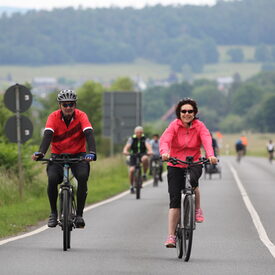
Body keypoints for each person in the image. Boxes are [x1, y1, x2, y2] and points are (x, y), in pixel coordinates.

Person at [32, 89, 97, 228]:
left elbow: (89, 133)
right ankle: (54, 213)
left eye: (71, 104)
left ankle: (79, 215)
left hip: (78, 156)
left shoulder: (81, 116)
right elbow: (48, 135)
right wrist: (41, 153)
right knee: (53, 179)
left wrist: (91, 152)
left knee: (83, 177)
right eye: (65, 104)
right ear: (60, 105)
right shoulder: (53, 117)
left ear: (75, 105)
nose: (68, 107)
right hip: (58, 156)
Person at [159, 98, 217, 248]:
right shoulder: (174, 126)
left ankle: (197, 209)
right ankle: (171, 236)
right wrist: (165, 152)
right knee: (174, 202)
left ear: (195, 113)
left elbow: (206, 140)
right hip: (175, 162)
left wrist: (210, 155)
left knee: (192, 182)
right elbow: (165, 140)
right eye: (183, 111)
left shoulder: (200, 126)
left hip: (194, 162)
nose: (187, 114)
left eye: (190, 111)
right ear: (179, 113)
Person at [123, 126, 153, 194]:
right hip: (133, 155)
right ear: (135, 132)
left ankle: (144, 174)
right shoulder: (131, 139)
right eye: (137, 132)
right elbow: (127, 147)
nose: (138, 134)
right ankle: (131, 186)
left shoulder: (145, 139)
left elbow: (148, 146)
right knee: (131, 170)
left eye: (140, 132)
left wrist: (150, 151)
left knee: (145, 158)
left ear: (142, 132)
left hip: (142, 154)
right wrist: (125, 151)